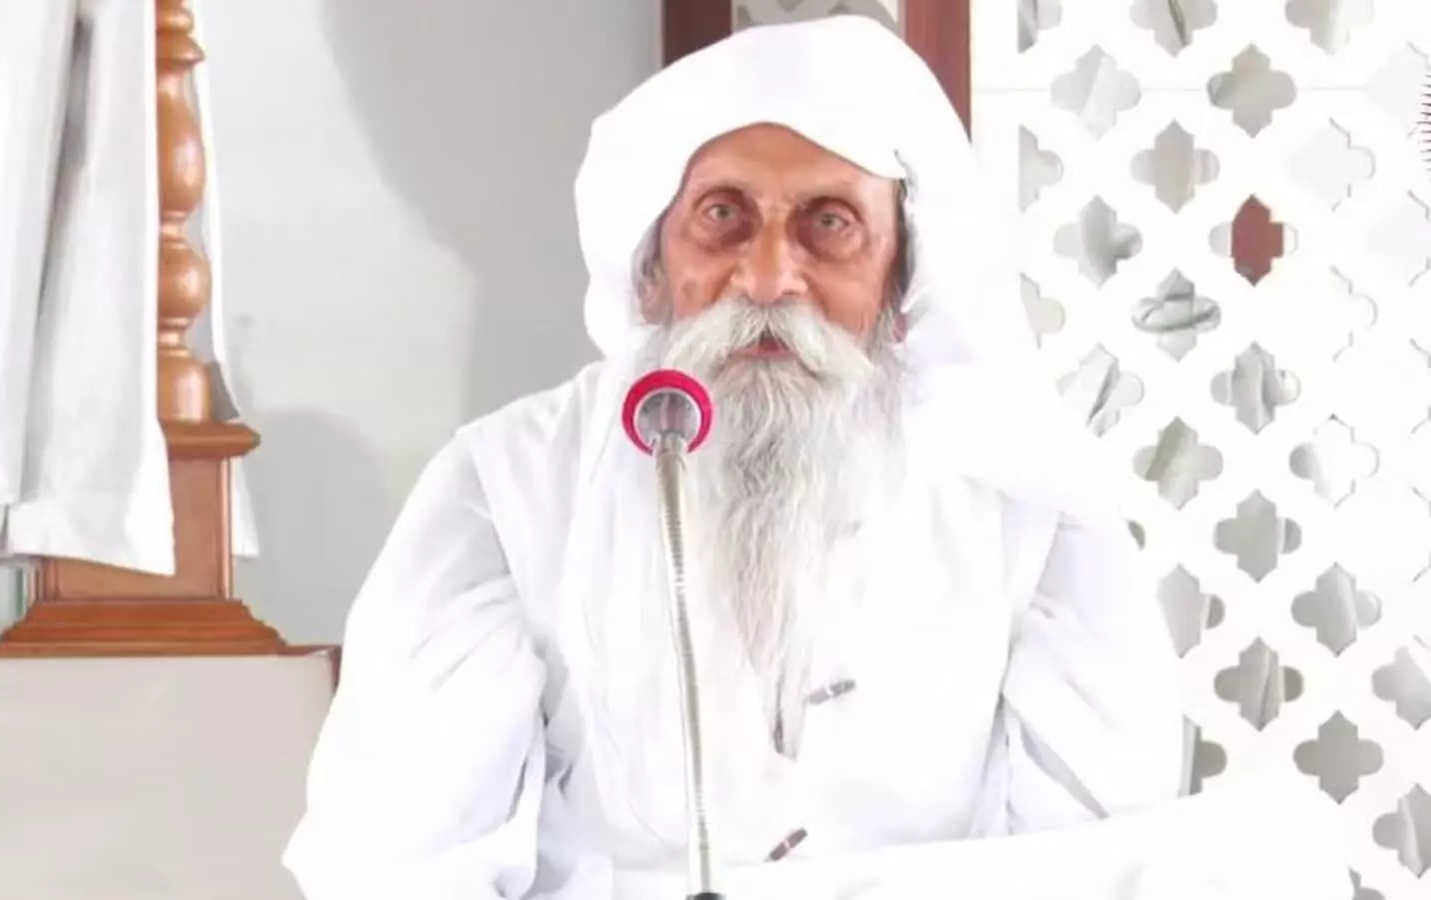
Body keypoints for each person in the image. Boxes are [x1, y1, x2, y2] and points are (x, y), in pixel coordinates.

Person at [283, 15, 1196, 900]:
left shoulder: (1025, 504)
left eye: (830, 224)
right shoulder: (506, 487)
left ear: (902, 275)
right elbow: (401, 860)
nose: (766, 280)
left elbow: (1088, 860)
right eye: (722, 217)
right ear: (651, 266)